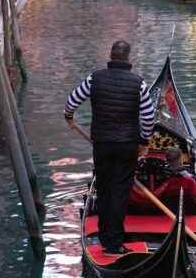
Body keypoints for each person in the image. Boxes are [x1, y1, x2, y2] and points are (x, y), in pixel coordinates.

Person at [64, 40, 155, 255]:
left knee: (104, 190)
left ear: (111, 56)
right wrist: (144, 142)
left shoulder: (94, 78)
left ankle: (106, 240)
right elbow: (149, 117)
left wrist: (69, 116)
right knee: (120, 192)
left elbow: (72, 101)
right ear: (128, 58)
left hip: (102, 145)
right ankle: (114, 244)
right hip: (126, 147)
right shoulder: (138, 83)